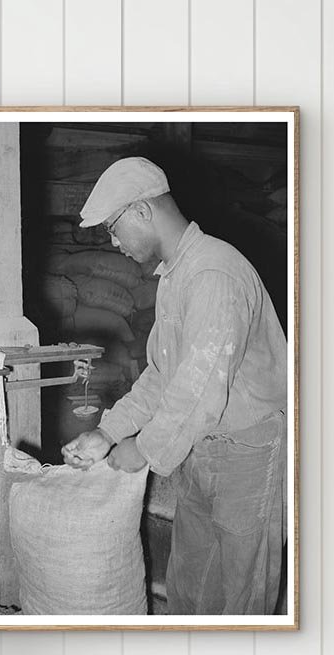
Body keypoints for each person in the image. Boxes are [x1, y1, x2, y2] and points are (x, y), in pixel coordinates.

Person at [62, 156, 288, 615]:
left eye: (113, 228)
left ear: (143, 211)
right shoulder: (176, 275)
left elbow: (199, 392)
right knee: (190, 583)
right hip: (202, 447)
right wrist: (109, 431)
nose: (114, 242)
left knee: (240, 594)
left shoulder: (212, 274)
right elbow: (165, 375)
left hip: (246, 451)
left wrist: (142, 449)